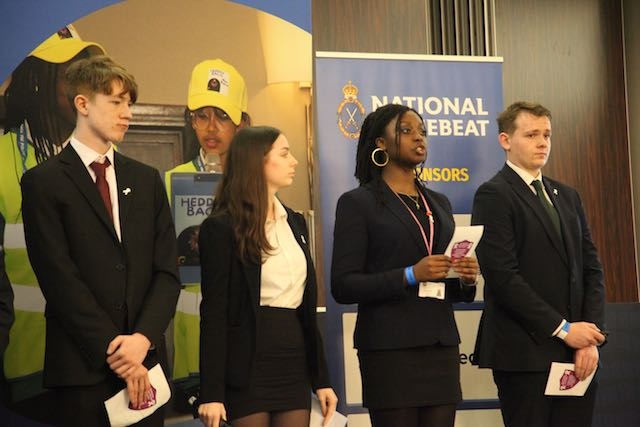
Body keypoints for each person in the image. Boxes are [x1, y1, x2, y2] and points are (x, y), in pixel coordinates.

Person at [20, 55, 181, 426]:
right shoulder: (43, 182)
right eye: (116, 102)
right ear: (83, 103)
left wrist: (141, 340)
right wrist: (119, 353)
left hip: (147, 366)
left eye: (129, 103)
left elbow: (166, 273)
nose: (127, 113)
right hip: (82, 370)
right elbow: (59, 279)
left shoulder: (146, 180)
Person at [331, 103, 479, 427]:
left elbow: (450, 284)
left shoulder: (439, 203)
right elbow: (343, 285)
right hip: (390, 351)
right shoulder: (358, 203)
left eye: (422, 131)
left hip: (440, 345)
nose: (418, 137)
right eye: (406, 130)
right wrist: (410, 274)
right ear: (380, 143)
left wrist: (465, 278)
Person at [471, 101, 606, 427]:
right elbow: (503, 278)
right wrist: (564, 330)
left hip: (578, 355)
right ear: (505, 140)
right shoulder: (494, 195)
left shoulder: (568, 195)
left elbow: (591, 269)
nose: (542, 142)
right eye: (531, 135)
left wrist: (590, 337)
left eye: (546, 134)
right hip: (525, 355)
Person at [197, 126, 337, 427]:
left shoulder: (295, 222)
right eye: (284, 154)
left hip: (293, 363)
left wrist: (321, 379)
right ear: (256, 161)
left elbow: (307, 312)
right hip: (245, 366)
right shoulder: (221, 227)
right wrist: (211, 392)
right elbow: (213, 313)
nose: (294, 161)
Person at [0, 25, 104, 420]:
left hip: (94, 364)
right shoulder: (3, 158)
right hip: (25, 370)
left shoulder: (101, 161)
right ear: (36, 81)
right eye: (71, 77)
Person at [163, 58, 251, 412]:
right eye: (202, 116)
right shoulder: (171, 180)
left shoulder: (257, 183)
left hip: (246, 342)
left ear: (242, 123)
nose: (211, 127)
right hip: (193, 346)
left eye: (222, 116)